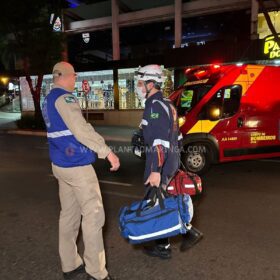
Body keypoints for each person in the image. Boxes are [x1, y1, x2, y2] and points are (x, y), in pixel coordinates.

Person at [42, 61, 120, 280]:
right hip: (77, 166)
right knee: (94, 217)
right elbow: (81, 129)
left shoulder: (47, 99)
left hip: (59, 165)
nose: (75, 80)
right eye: (74, 76)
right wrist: (107, 152)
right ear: (65, 76)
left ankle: (70, 265)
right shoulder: (65, 98)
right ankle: (96, 273)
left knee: (68, 216)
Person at [135, 64, 203, 259]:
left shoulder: (154, 107)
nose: (138, 87)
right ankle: (167, 244)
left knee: (157, 202)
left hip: (160, 163)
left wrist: (156, 169)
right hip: (169, 159)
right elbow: (177, 137)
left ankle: (184, 235)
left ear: (151, 83)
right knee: (161, 202)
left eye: (141, 83)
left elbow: (159, 142)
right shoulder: (167, 104)